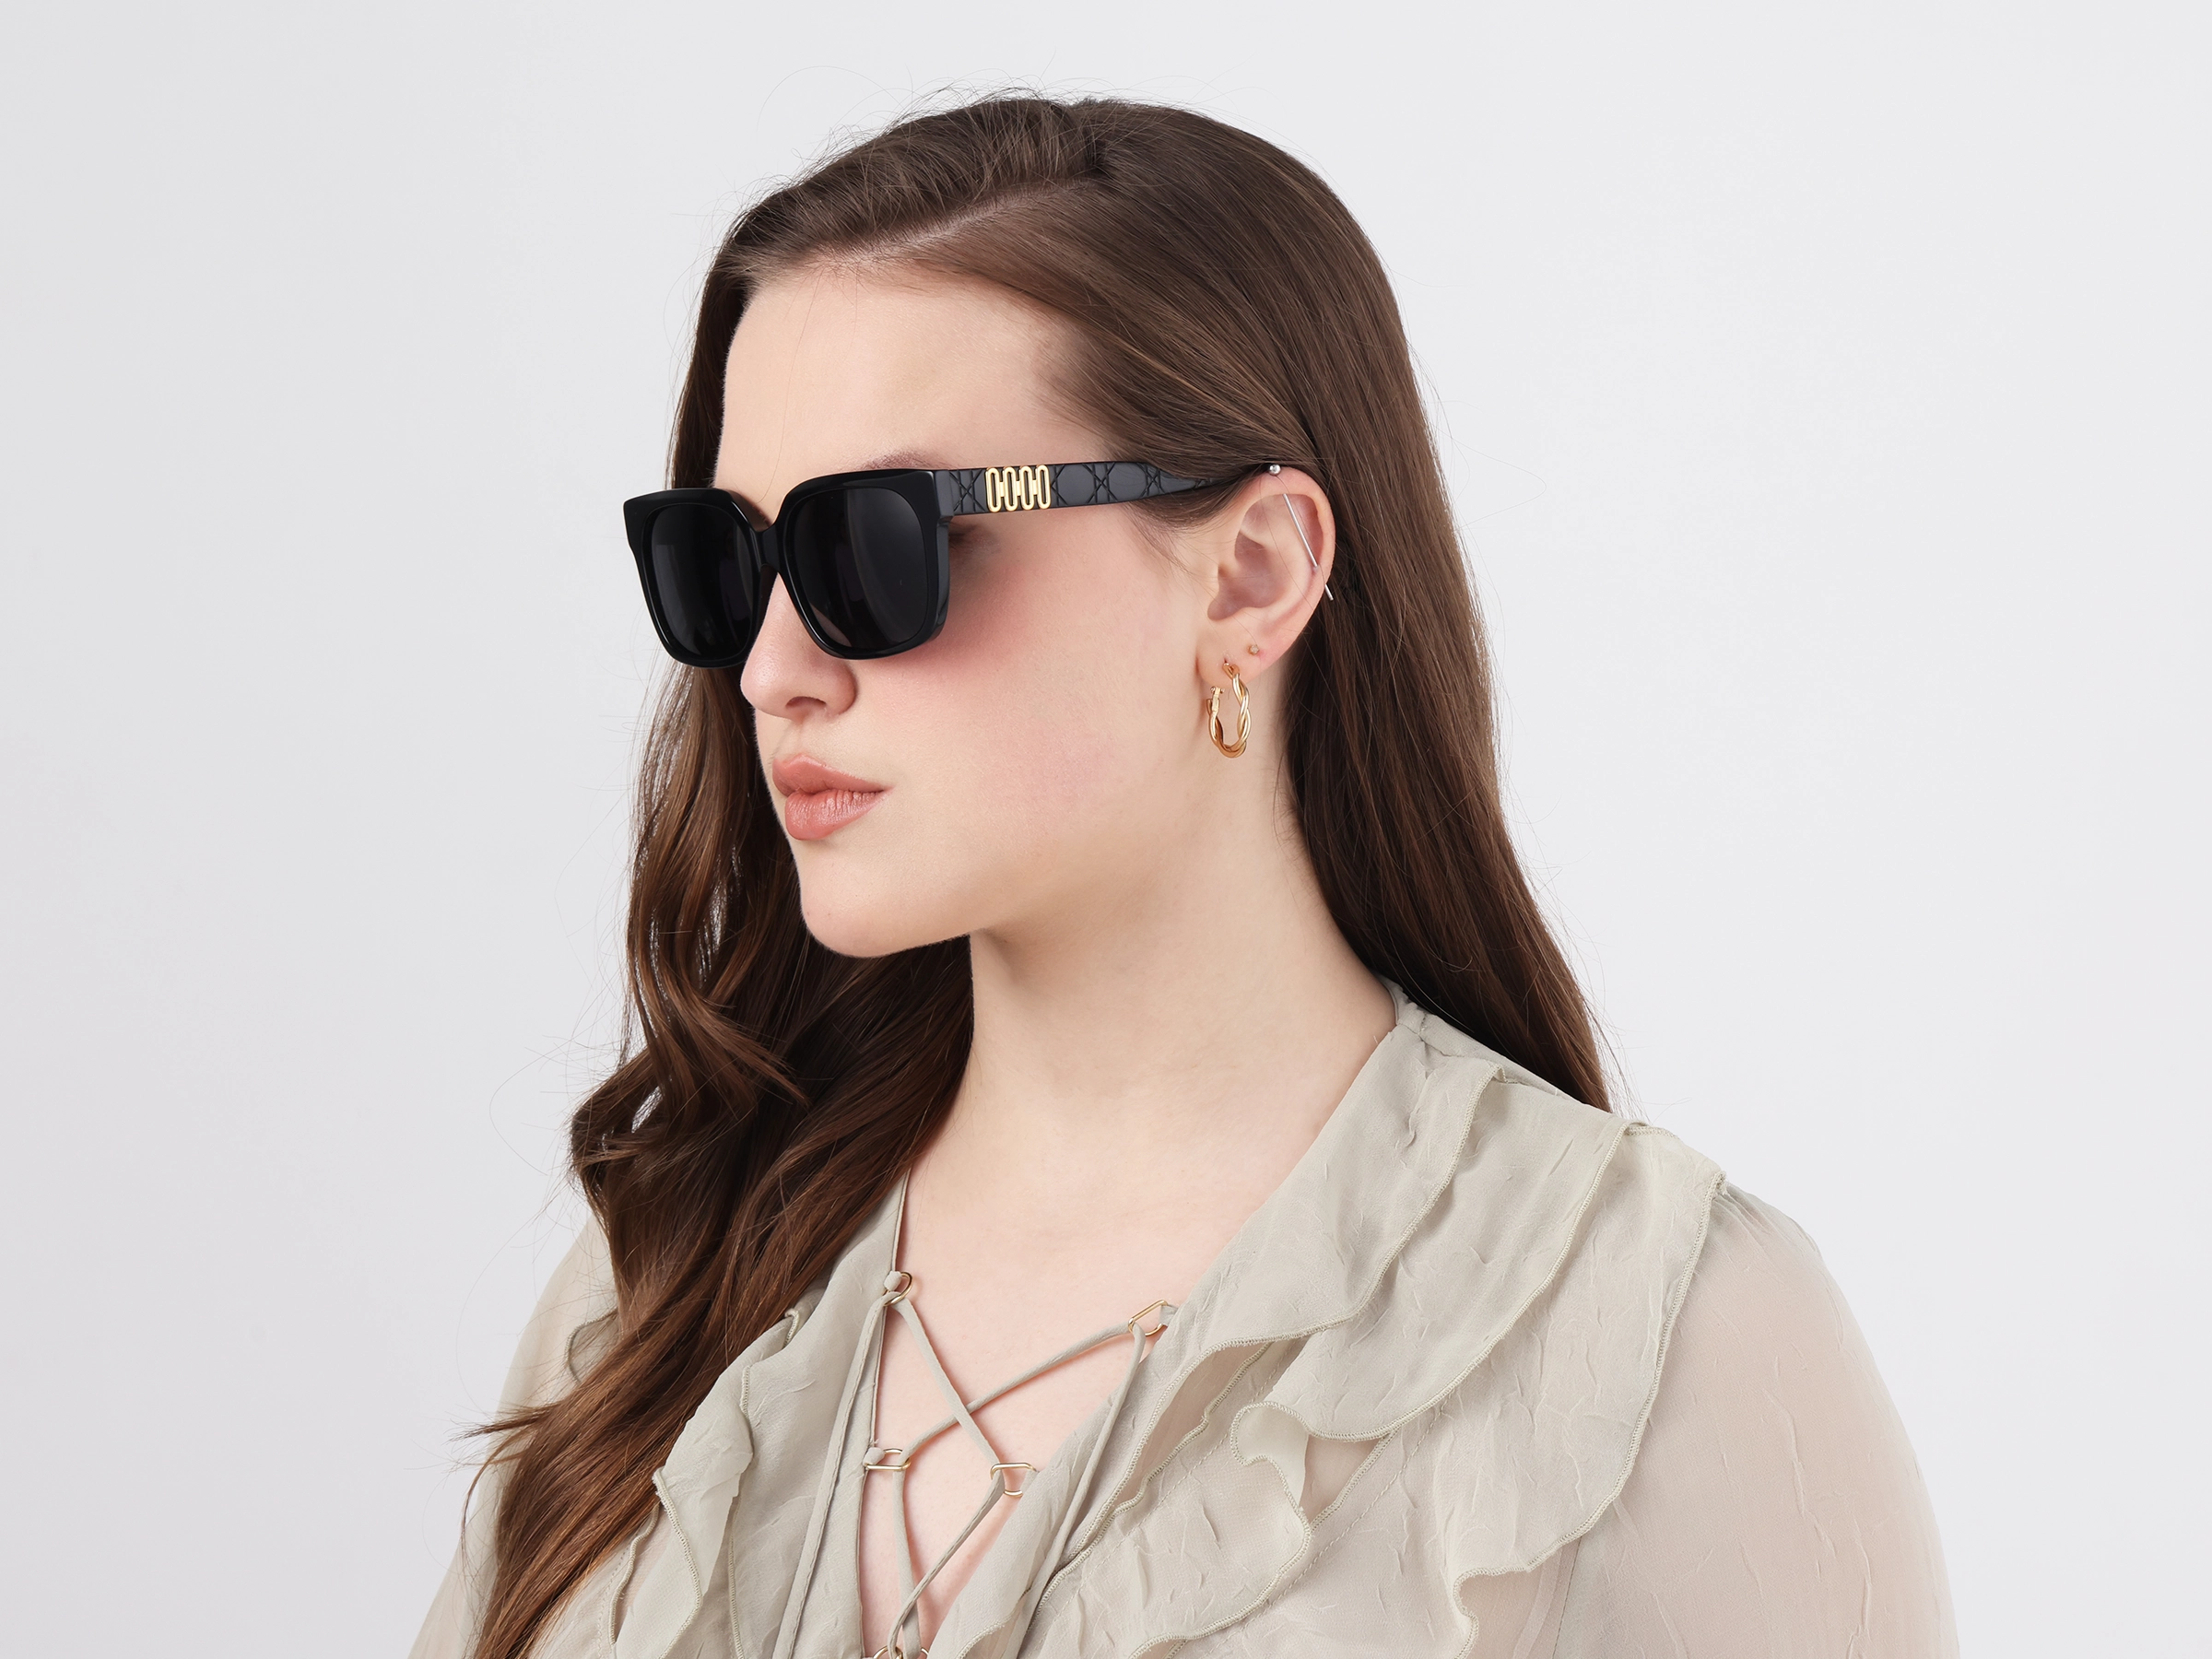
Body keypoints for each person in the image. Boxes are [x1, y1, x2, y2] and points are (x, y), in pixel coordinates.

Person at [411, 95, 1955, 1659]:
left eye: (872, 549)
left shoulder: (1669, 1332)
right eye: (722, 563)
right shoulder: (664, 1285)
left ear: (1252, 575)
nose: (771, 669)